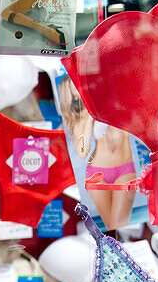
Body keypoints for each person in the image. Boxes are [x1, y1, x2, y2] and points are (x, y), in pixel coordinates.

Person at [57, 73, 137, 231]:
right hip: (97, 174)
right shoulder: (81, 117)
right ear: (72, 96)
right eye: (76, 88)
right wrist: (88, 116)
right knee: (110, 230)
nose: (82, 88)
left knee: (119, 224)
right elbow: (82, 152)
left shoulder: (115, 99)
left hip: (125, 168)